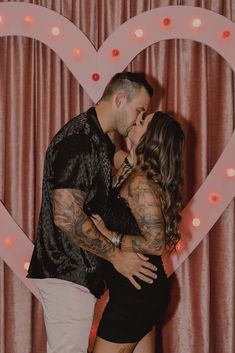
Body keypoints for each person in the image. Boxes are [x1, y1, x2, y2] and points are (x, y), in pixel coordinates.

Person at [26, 72, 158, 353]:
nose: (138, 119)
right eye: (139, 110)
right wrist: (116, 256)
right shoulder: (79, 142)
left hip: (79, 275)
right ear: (120, 99)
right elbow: (65, 216)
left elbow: (119, 160)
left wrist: (138, 160)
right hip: (67, 273)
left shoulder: (98, 138)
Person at [91, 111, 185, 353]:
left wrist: (110, 235)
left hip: (136, 295)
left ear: (152, 138)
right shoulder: (131, 168)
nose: (137, 119)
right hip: (138, 289)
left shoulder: (141, 183)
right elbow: (110, 147)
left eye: (143, 121)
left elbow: (156, 243)